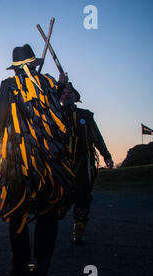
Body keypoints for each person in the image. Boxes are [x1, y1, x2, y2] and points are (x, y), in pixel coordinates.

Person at [0, 44, 74, 276]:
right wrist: (63, 83)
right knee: (48, 212)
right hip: (50, 162)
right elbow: (68, 103)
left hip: (18, 164)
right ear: (34, 65)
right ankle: (42, 264)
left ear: (15, 68)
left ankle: (20, 265)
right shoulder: (48, 83)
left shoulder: (9, 86)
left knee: (18, 213)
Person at [59, 83, 113, 244]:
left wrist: (106, 155)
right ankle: (58, 212)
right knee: (62, 196)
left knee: (83, 197)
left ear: (76, 97)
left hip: (84, 163)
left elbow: (97, 136)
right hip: (61, 164)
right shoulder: (55, 114)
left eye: (70, 92)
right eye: (63, 93)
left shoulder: (86, 115)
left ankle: (79, 230)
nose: (67, 94)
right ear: (59, 98)